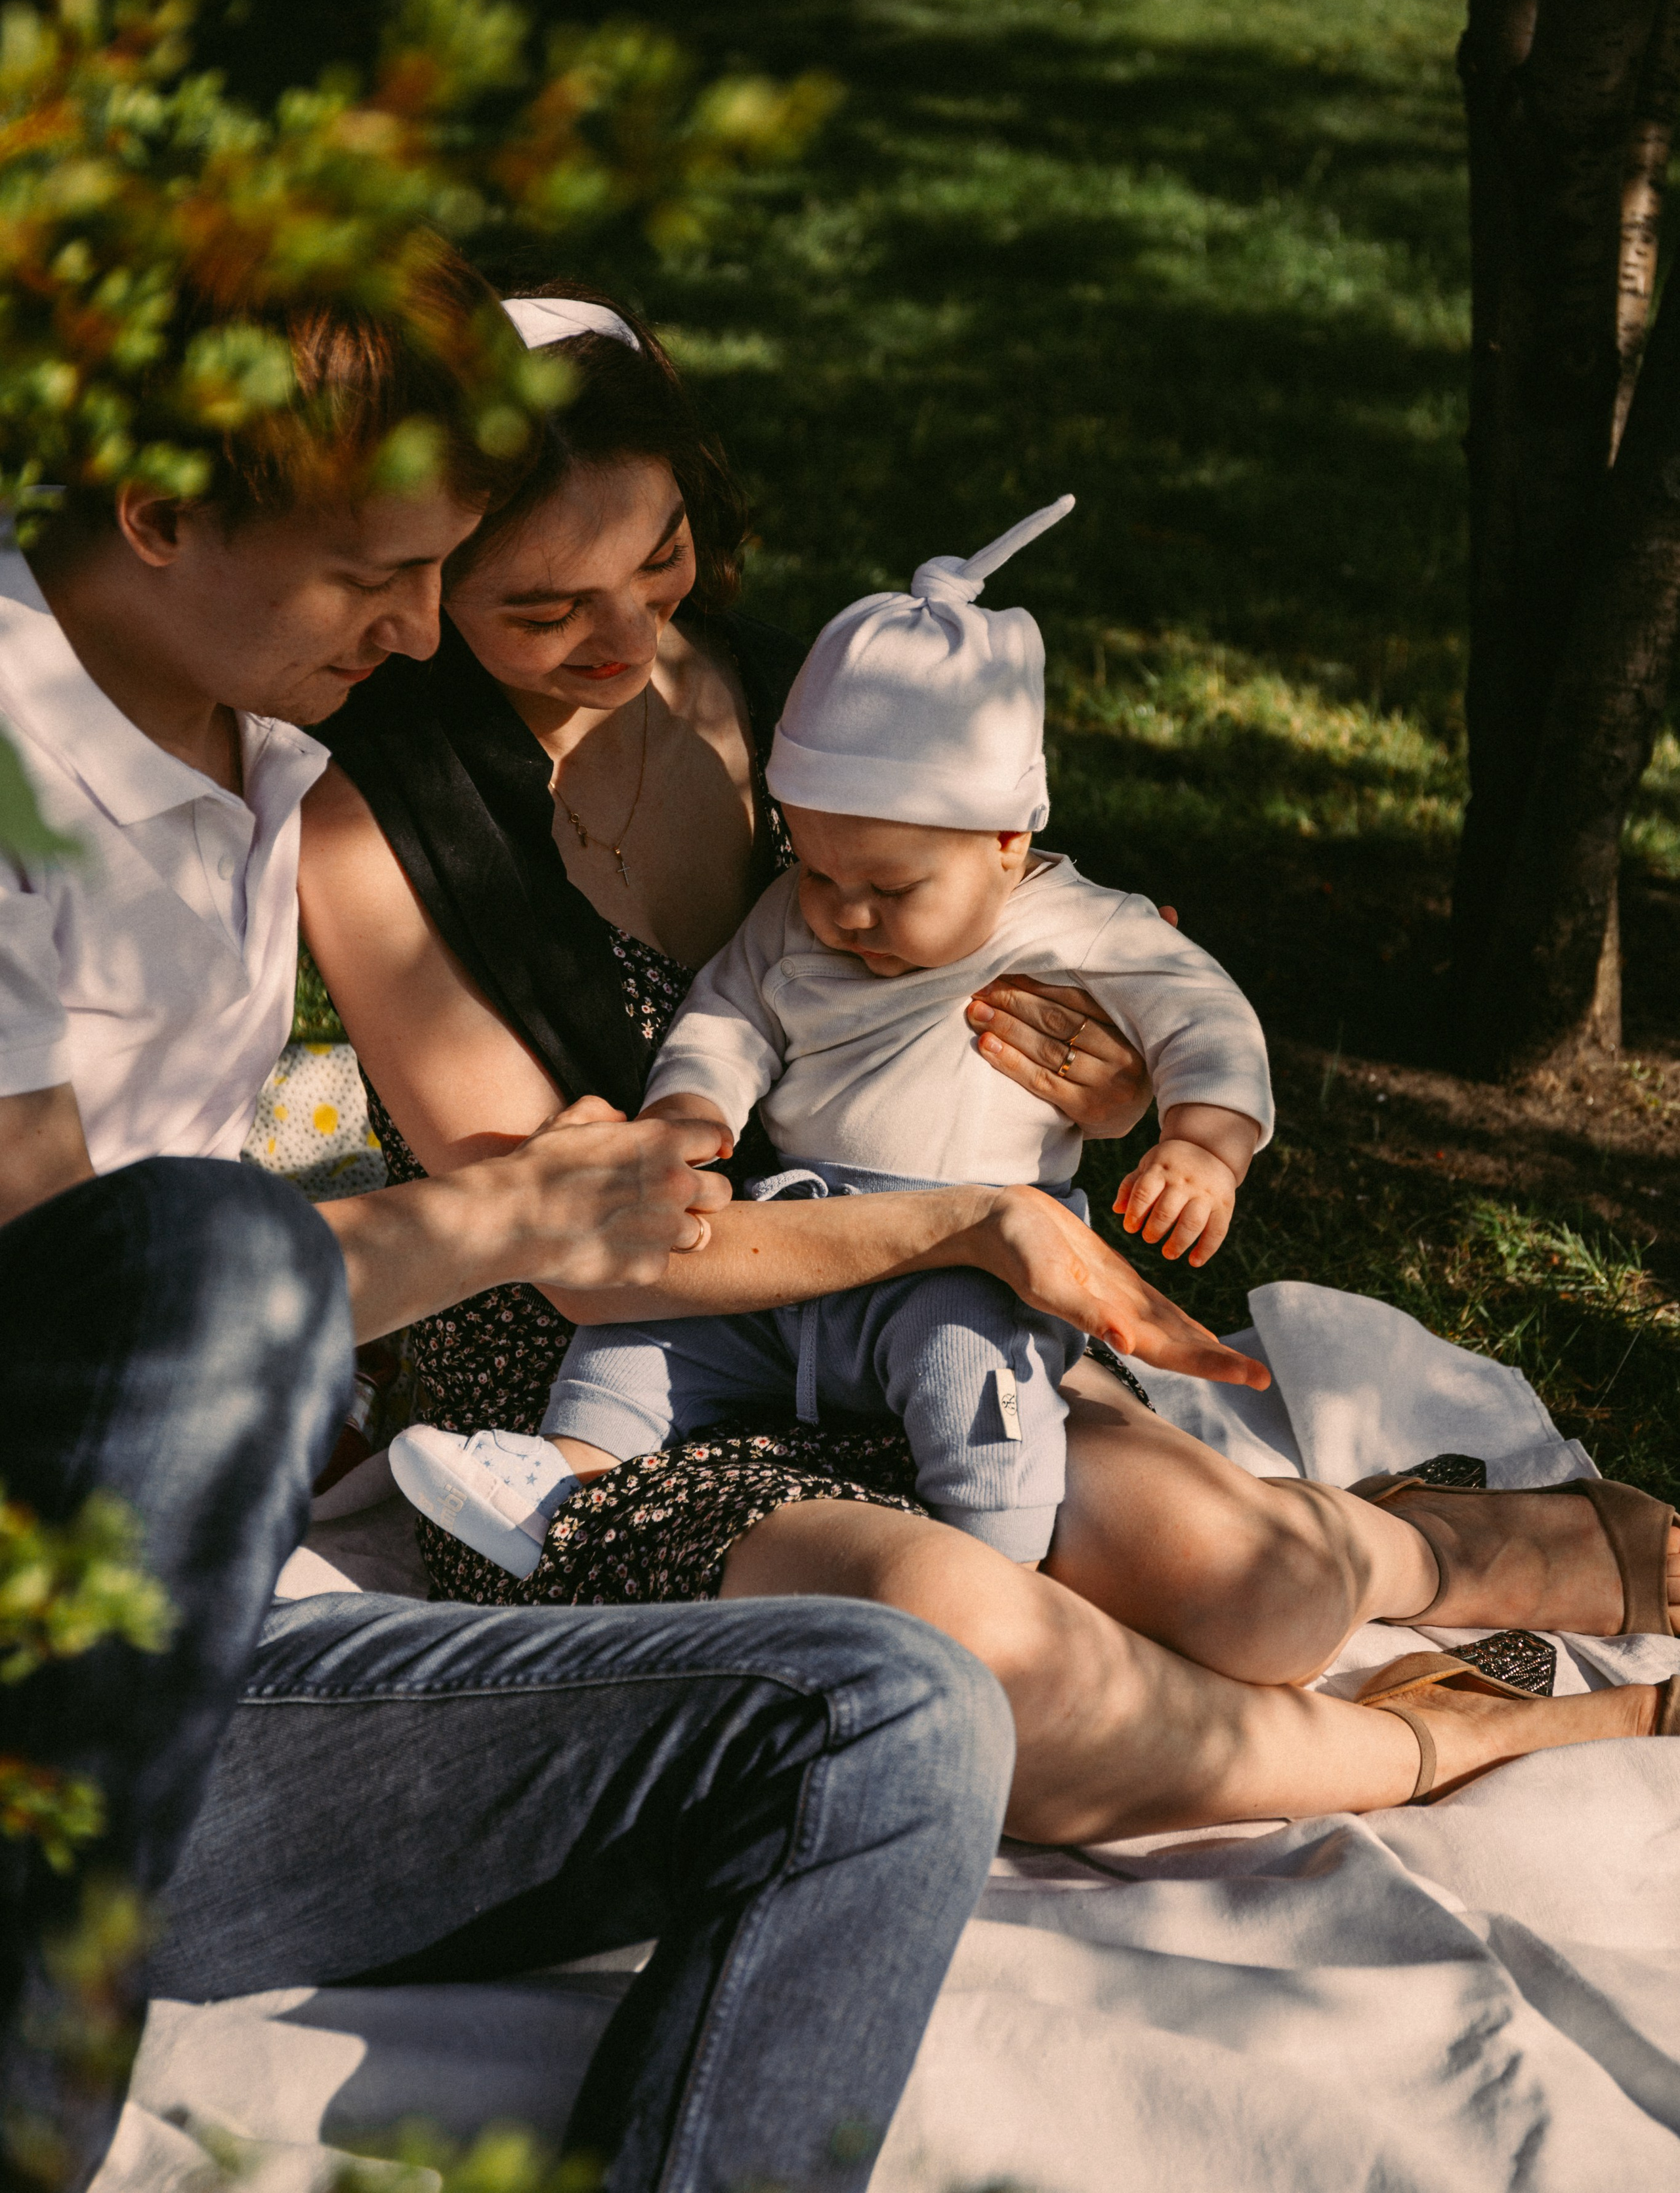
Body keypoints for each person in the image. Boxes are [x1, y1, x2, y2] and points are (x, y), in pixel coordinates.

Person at [303, 274, 1680, 1845]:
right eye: (542, 610)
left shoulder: (759, 698)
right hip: (613, 1398)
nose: (630, 634)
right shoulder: (373, 832)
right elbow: (575, 1266)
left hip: (915, 1310)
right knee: (982, 1676)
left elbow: (982, 944)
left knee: (1250, 1594)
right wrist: (961, 1224)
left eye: (660, 557)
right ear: (420, 591)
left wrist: (1081, 1087)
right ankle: (1451, 1737)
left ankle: (1434, 1549)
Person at [0, 249, 1021, 2193]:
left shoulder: (240, 733)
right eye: (379, 576)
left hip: (209, 1697)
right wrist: (503, 1221)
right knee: (204, 1253)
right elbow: (94, 1330)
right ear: (155, 514)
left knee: (895, 1716)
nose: (415, 633)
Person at [390, 491, 1272, 1575]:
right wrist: (692, 1108)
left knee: (981, 1392)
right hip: (792, 1240)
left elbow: (1206, 1018)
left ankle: (996, 1564)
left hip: (976, 1270)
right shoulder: (795, 914)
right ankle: (560, 1480)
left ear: (1006, 837)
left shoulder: (1083, 927)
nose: (844, 913)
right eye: (815, 871)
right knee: (643, 1342)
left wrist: (1203, 1141)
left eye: (889, 886)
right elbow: (730, 1009)